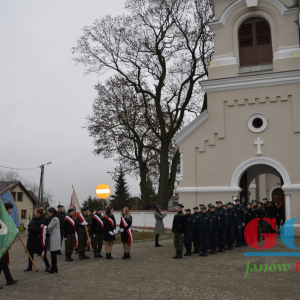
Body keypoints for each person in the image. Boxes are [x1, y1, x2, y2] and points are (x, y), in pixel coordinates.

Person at [24, 207, 50, 271]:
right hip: (31, 238)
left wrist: (29, 229)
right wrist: (26, 227)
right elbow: (29, 225)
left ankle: (47, 265)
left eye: (35, 212)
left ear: (39, 213)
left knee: (41, 252)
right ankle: (30, 266)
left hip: (38, 239)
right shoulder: (33, 219)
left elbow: (40, 229)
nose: (34, 213)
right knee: (30, 253)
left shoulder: (43, 220)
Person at [0, 203, 18, 288]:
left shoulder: (6, 217)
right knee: (2, 262)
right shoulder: (3, 217)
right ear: (7, 209)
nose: (11, 210)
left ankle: (9, 279)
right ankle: (9, 279)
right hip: (2, 243)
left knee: (4, 263)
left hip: (4, 243)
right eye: (10, 209)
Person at [46, 207, 61, 273]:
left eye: (49, 213)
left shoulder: (54, 218)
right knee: (53, 254)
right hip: (53, 237)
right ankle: (54, 267)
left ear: (52, 213)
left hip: (54, 238)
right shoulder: (54, 218)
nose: (48, 214)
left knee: (53, 254)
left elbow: (49, 227)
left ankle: (54, 268)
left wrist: (43, 227)